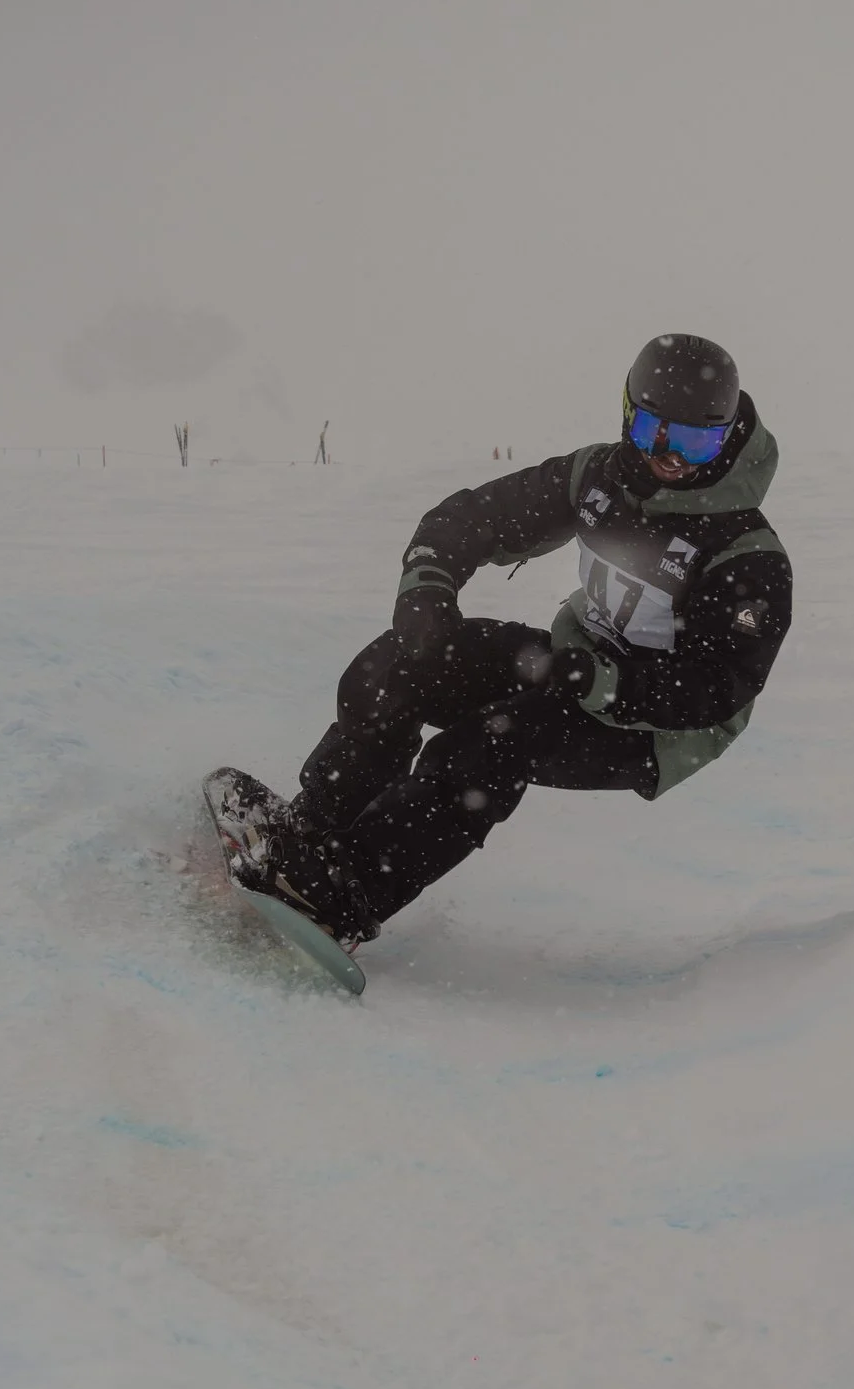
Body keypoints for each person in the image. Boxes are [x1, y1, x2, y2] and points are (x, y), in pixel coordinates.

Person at [206, 333, 791, 950]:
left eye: (697, 441)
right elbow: (472, 518)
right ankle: (312, 830)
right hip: (573, 663)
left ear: (728, 435)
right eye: (654, 433)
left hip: (660, 728)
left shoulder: (744, 554)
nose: (671, 457)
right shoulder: (600, 477)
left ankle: (344, 895)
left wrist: (602, 683)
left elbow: (718, 688)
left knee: (488, 747)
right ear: (627, 415)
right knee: (397, 666)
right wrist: (426, 591)